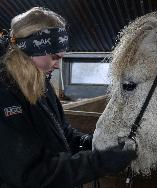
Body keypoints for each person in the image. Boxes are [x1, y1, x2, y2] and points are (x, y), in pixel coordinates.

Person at [0, 7, 137, 188]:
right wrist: (99, 162)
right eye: (55, 57)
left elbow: (63, 132)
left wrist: (92, 144)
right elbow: (31, 175)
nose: (57, 65)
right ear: (32, 48)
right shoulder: (5, 94)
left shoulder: (41, 83)